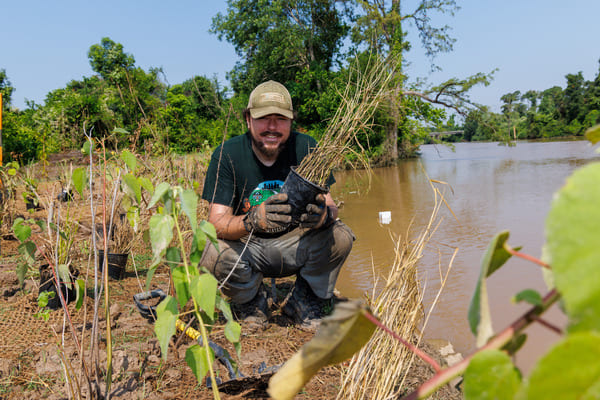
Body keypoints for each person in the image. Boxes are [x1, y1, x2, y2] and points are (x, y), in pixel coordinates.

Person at [200, 80, 355, 329]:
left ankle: (304, 301)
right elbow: (215, 223)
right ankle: (251, 303)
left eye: (281, 119)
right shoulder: (226, 154)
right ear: (248, 119)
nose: (272, 127)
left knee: (341, 235)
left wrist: (323, 216)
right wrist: (252, 220)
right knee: (210, 250)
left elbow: (332, 207)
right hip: (249, 248)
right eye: (263, 118)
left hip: (296, 245)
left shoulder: (307, 147)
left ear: (291, 121)